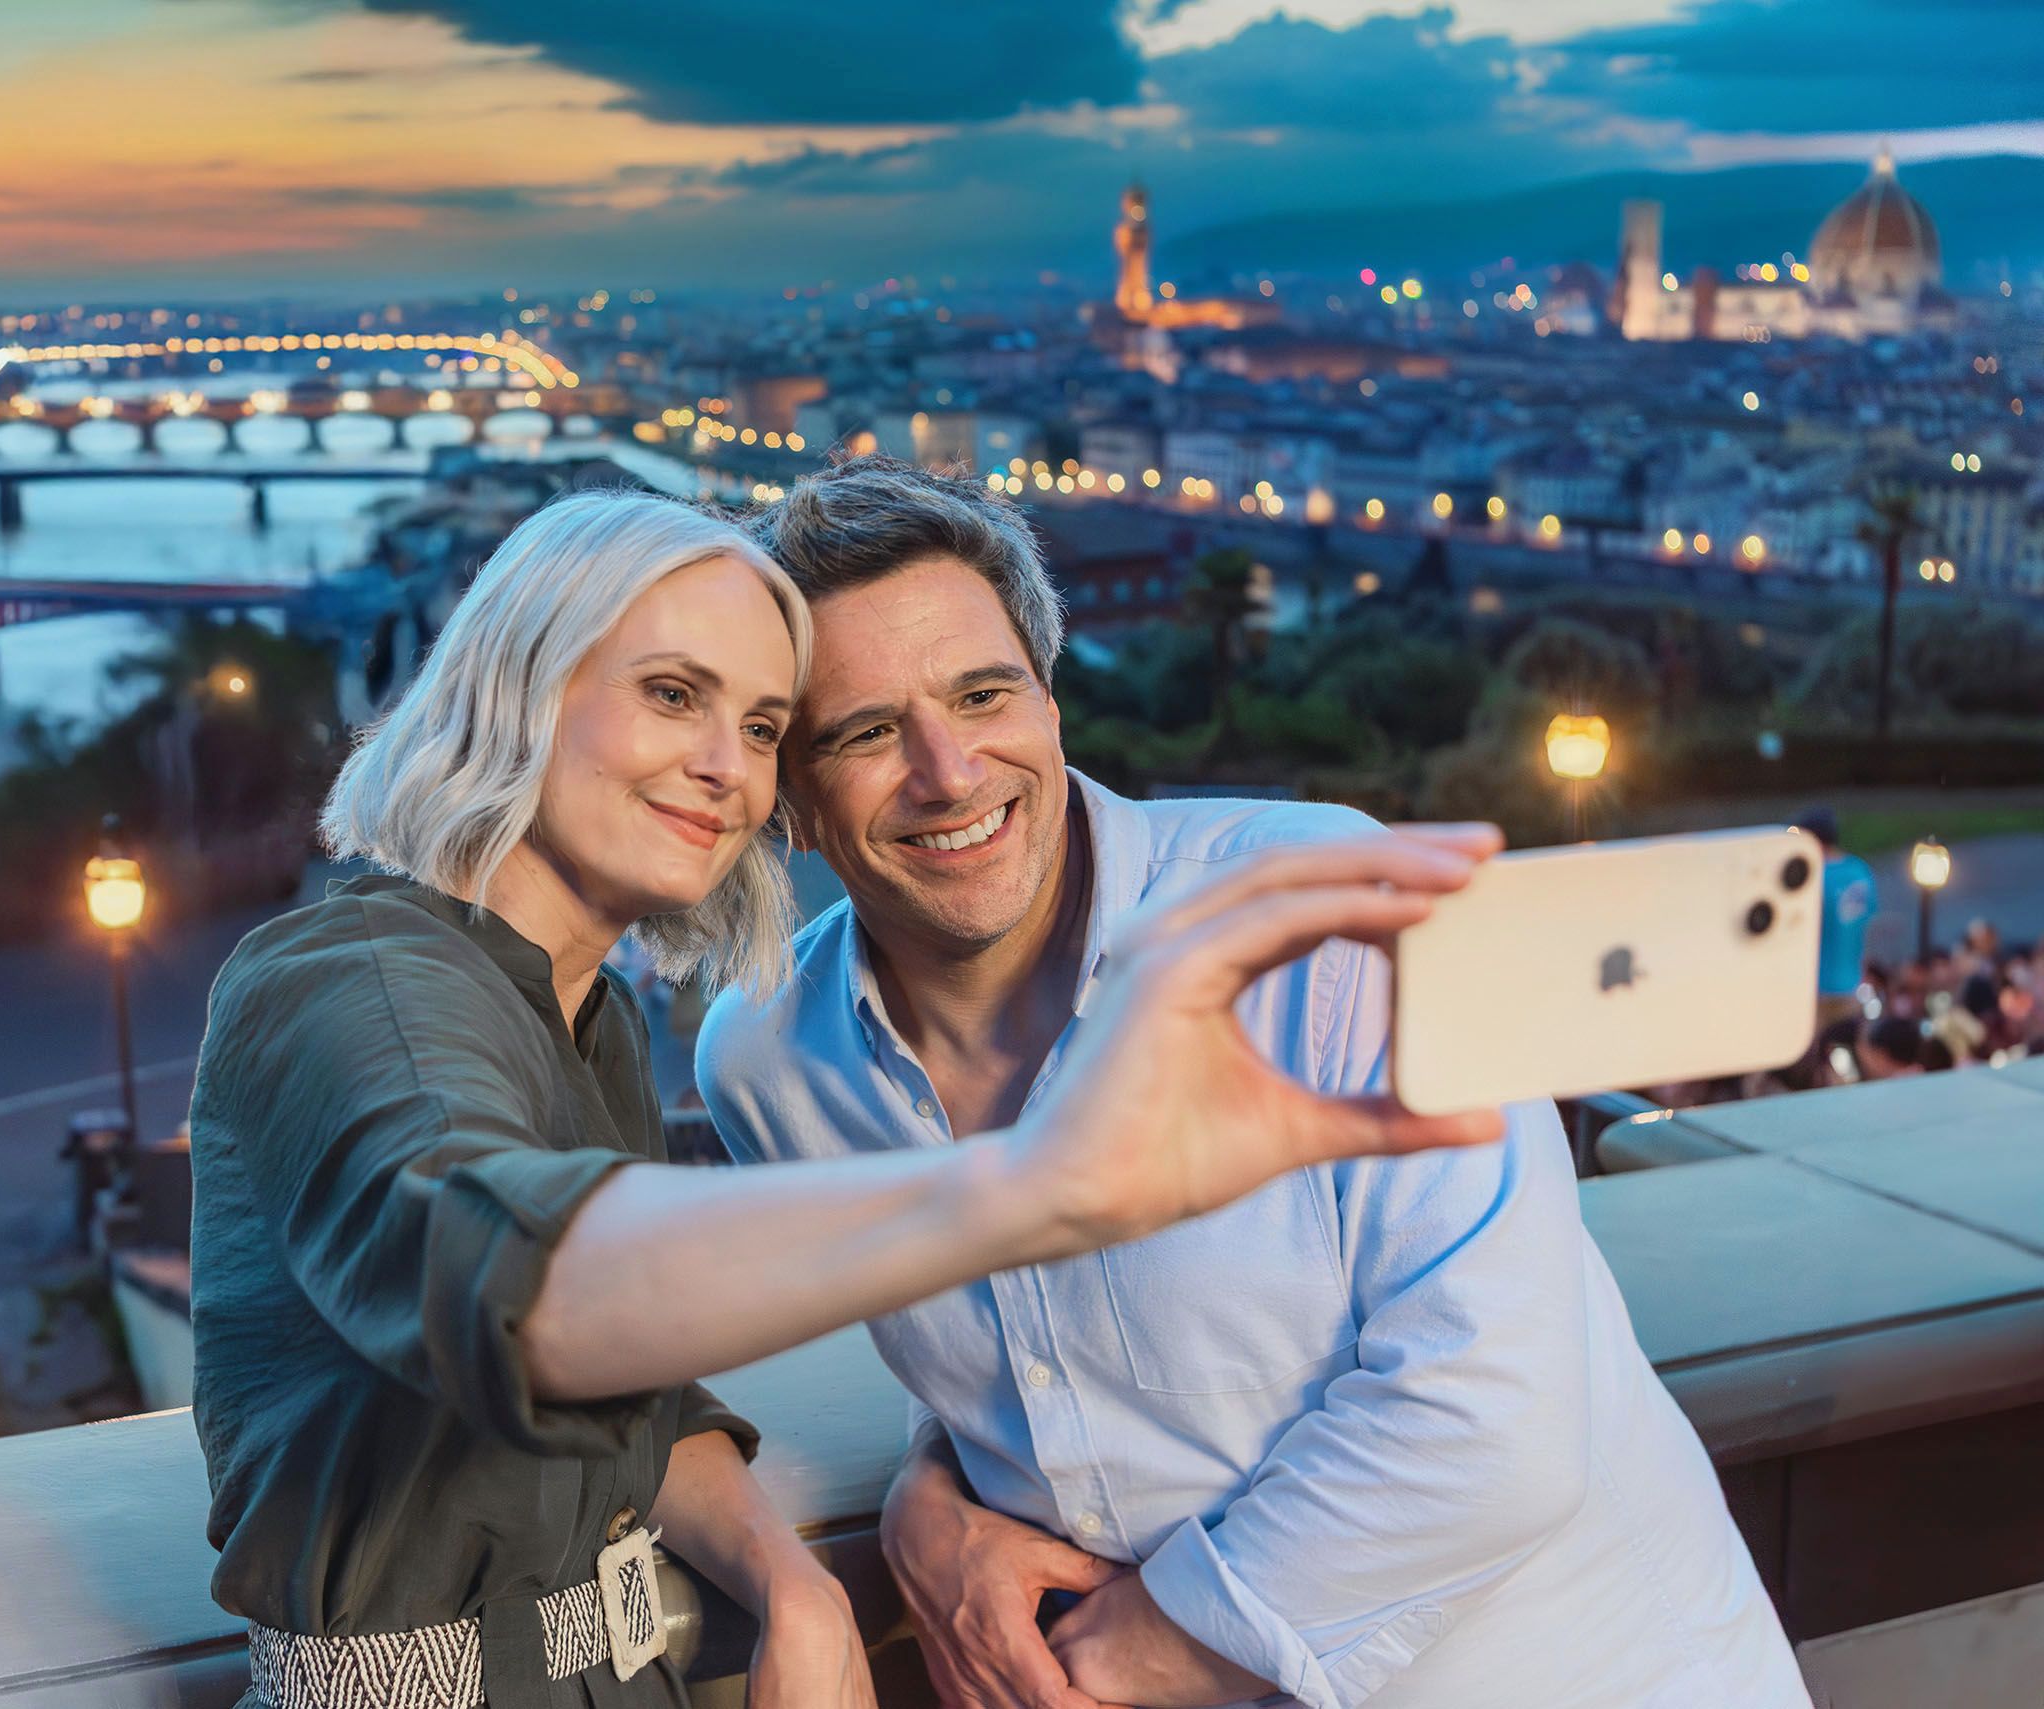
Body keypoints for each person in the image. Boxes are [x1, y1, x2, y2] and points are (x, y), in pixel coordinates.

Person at [186, 488, 1503, 1709]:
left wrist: (786, 1574)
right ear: (518, 688)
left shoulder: (590, 1017)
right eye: (671, 694)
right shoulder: (347, 981)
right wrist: (1030, 1189)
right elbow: (507, 1286)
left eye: (760, 727)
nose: (723, 764)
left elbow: (634, 1390)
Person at [699, 457, 1809, 1709]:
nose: (949, 771)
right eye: (863, 730)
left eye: (983, 691)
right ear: (787, 800)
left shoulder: (1325, 917)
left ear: (1052, 700)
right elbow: (1007, 1345)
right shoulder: (771, 1065)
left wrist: (1124, 1654)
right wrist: (933, 1489)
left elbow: (1493, 1410)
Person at [1800, 807, 1876, 1034]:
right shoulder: (1860, 872)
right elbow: (1867, 925)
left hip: (1816, 987)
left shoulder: (1815, 875)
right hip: (1851, 984)